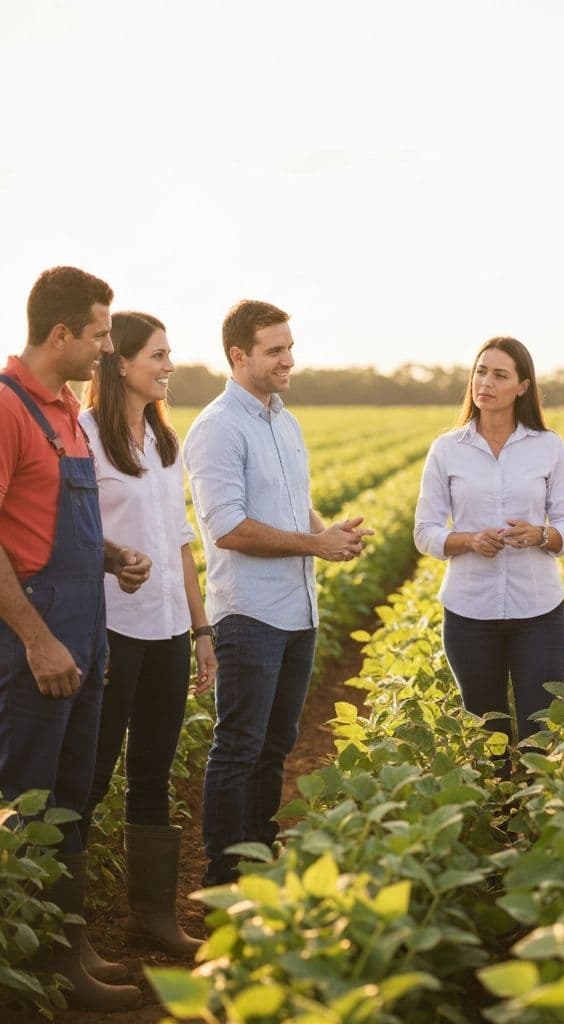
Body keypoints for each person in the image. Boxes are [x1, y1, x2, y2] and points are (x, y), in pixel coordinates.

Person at [0, 266, 150, 1009]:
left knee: (72, 798)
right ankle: (29, 967)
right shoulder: (6, 407)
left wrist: (112, 556)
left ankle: (69, 950)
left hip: (85, 630)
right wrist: (35, 638)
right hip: (35, 638)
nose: (106, 351)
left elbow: (53, 527)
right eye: (97, 335)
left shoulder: (64, 410)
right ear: (60, 334)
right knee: (24, 802)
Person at [183, 300, 372, 886]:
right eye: (274, 350)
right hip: (250, 613)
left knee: (274, 747)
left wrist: (327, 532)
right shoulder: (217, 427)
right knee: (239, 747)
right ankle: (223, 877)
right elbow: (229, 528)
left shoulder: (283, 419)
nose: (289, 359)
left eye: (289, 346)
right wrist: (316, 547)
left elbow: (292, 505)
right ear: (239, 356)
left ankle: (258, 864)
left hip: (298, 610)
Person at [77, 311, 216, 962]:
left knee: (153, 776)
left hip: (165, 631)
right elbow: (74, 539)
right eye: (158, 355)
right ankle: (67, 938)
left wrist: (201, 628)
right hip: (109, 630)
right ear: (122, 363)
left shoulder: (166, 443)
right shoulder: (84, 437)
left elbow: (182, 543)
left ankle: (152, 921)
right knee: (90, 776)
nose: (168, 365)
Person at [413, 337, 564, 750]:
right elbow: (425, 531)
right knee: (487, 736)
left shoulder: (548, 446)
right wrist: (470, 540)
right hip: (470, 614)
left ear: (522, 387)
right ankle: (496, 814)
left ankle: (536, 808)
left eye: (500, 375)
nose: (485, 382)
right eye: (480, 371)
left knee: (539, 733)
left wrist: (540, 535)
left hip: (538, 612)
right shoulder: (447, 449)